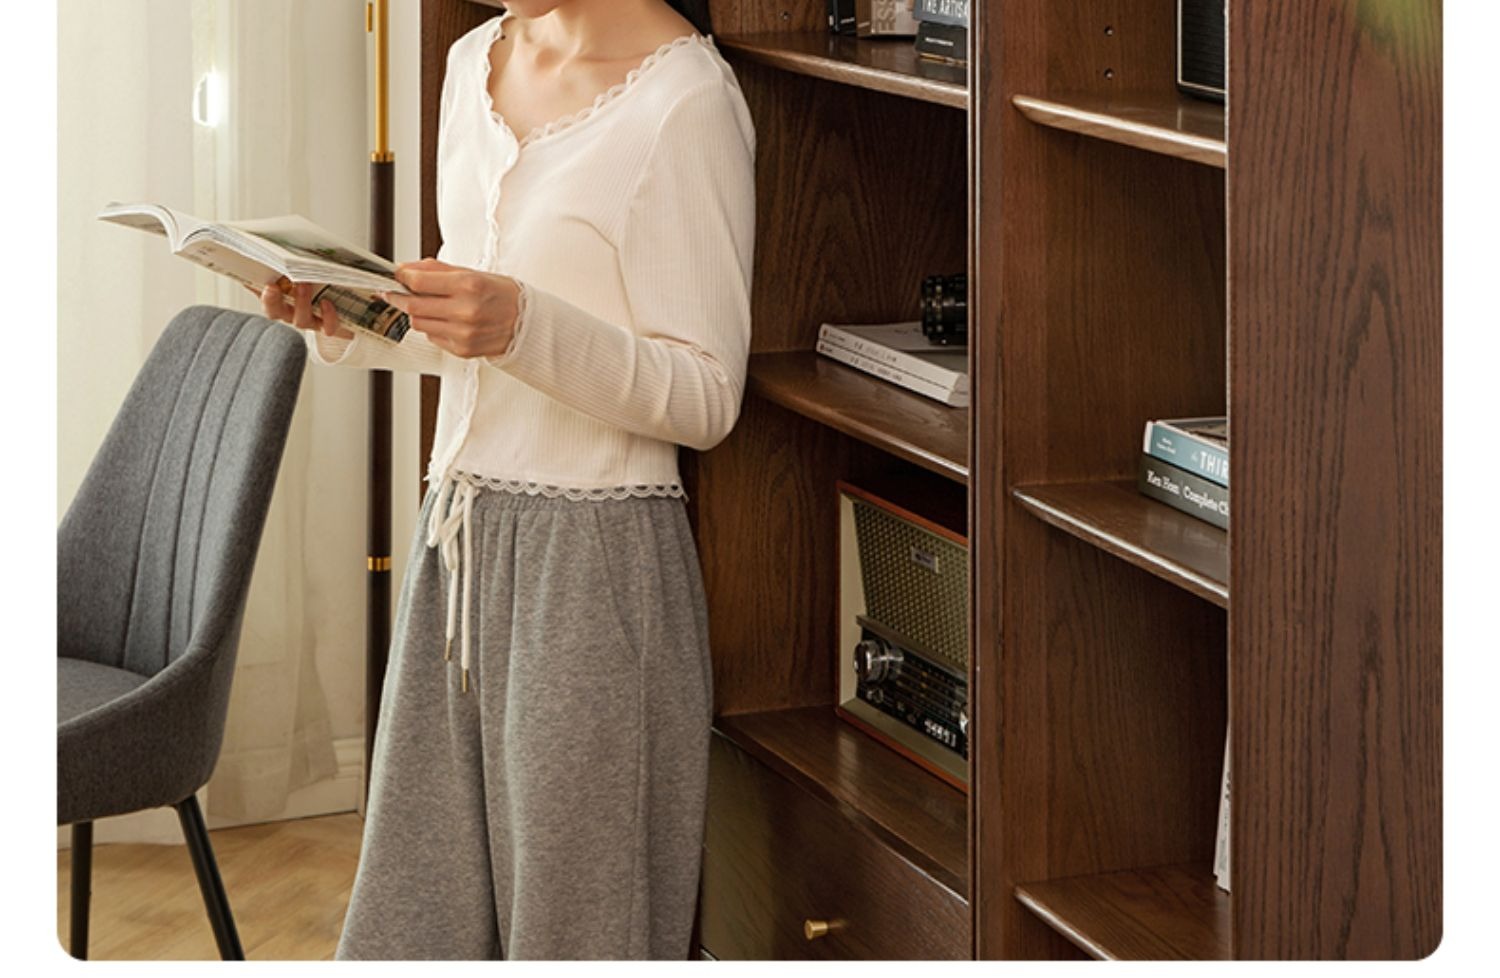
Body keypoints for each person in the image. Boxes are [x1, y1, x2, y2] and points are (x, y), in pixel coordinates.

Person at [256, 0, 754, 960]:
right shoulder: (474, 59)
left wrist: (525, 324)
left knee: (574, 935)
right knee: (417, 921)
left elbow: (707, 395)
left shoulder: (687, 100)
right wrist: (347, 319)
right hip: (459, 541)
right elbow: (476, 340)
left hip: (598, 574)